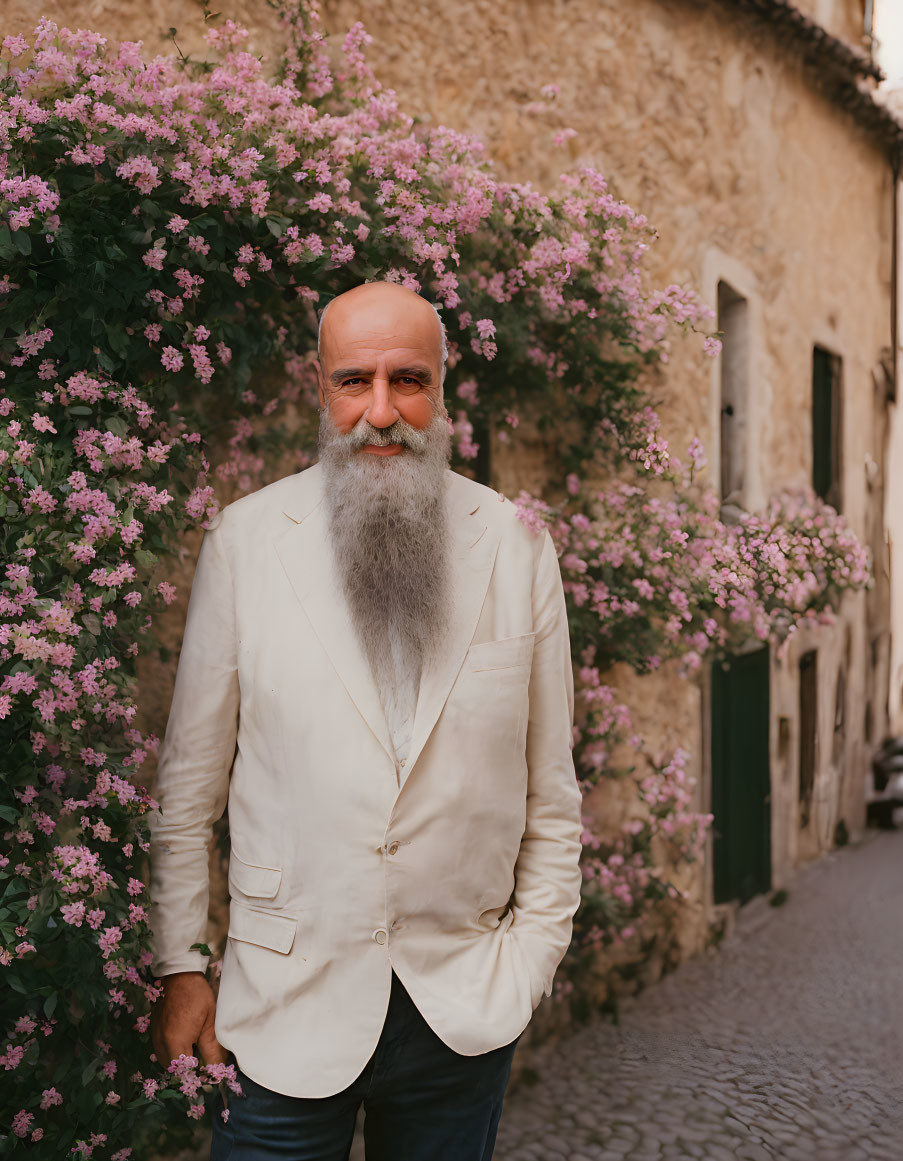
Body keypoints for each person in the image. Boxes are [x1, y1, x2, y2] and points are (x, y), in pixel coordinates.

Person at [148, 280, 584, 1160]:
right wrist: (182, 964)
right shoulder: (245, 543)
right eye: (354, 381)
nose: (380, 412)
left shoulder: (516, 546)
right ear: (320, 388)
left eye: (406, 380)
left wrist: (525, 969)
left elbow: (553, 798)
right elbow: (188, 791)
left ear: (442, 387)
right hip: (278, 1013)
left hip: (459, 1017)